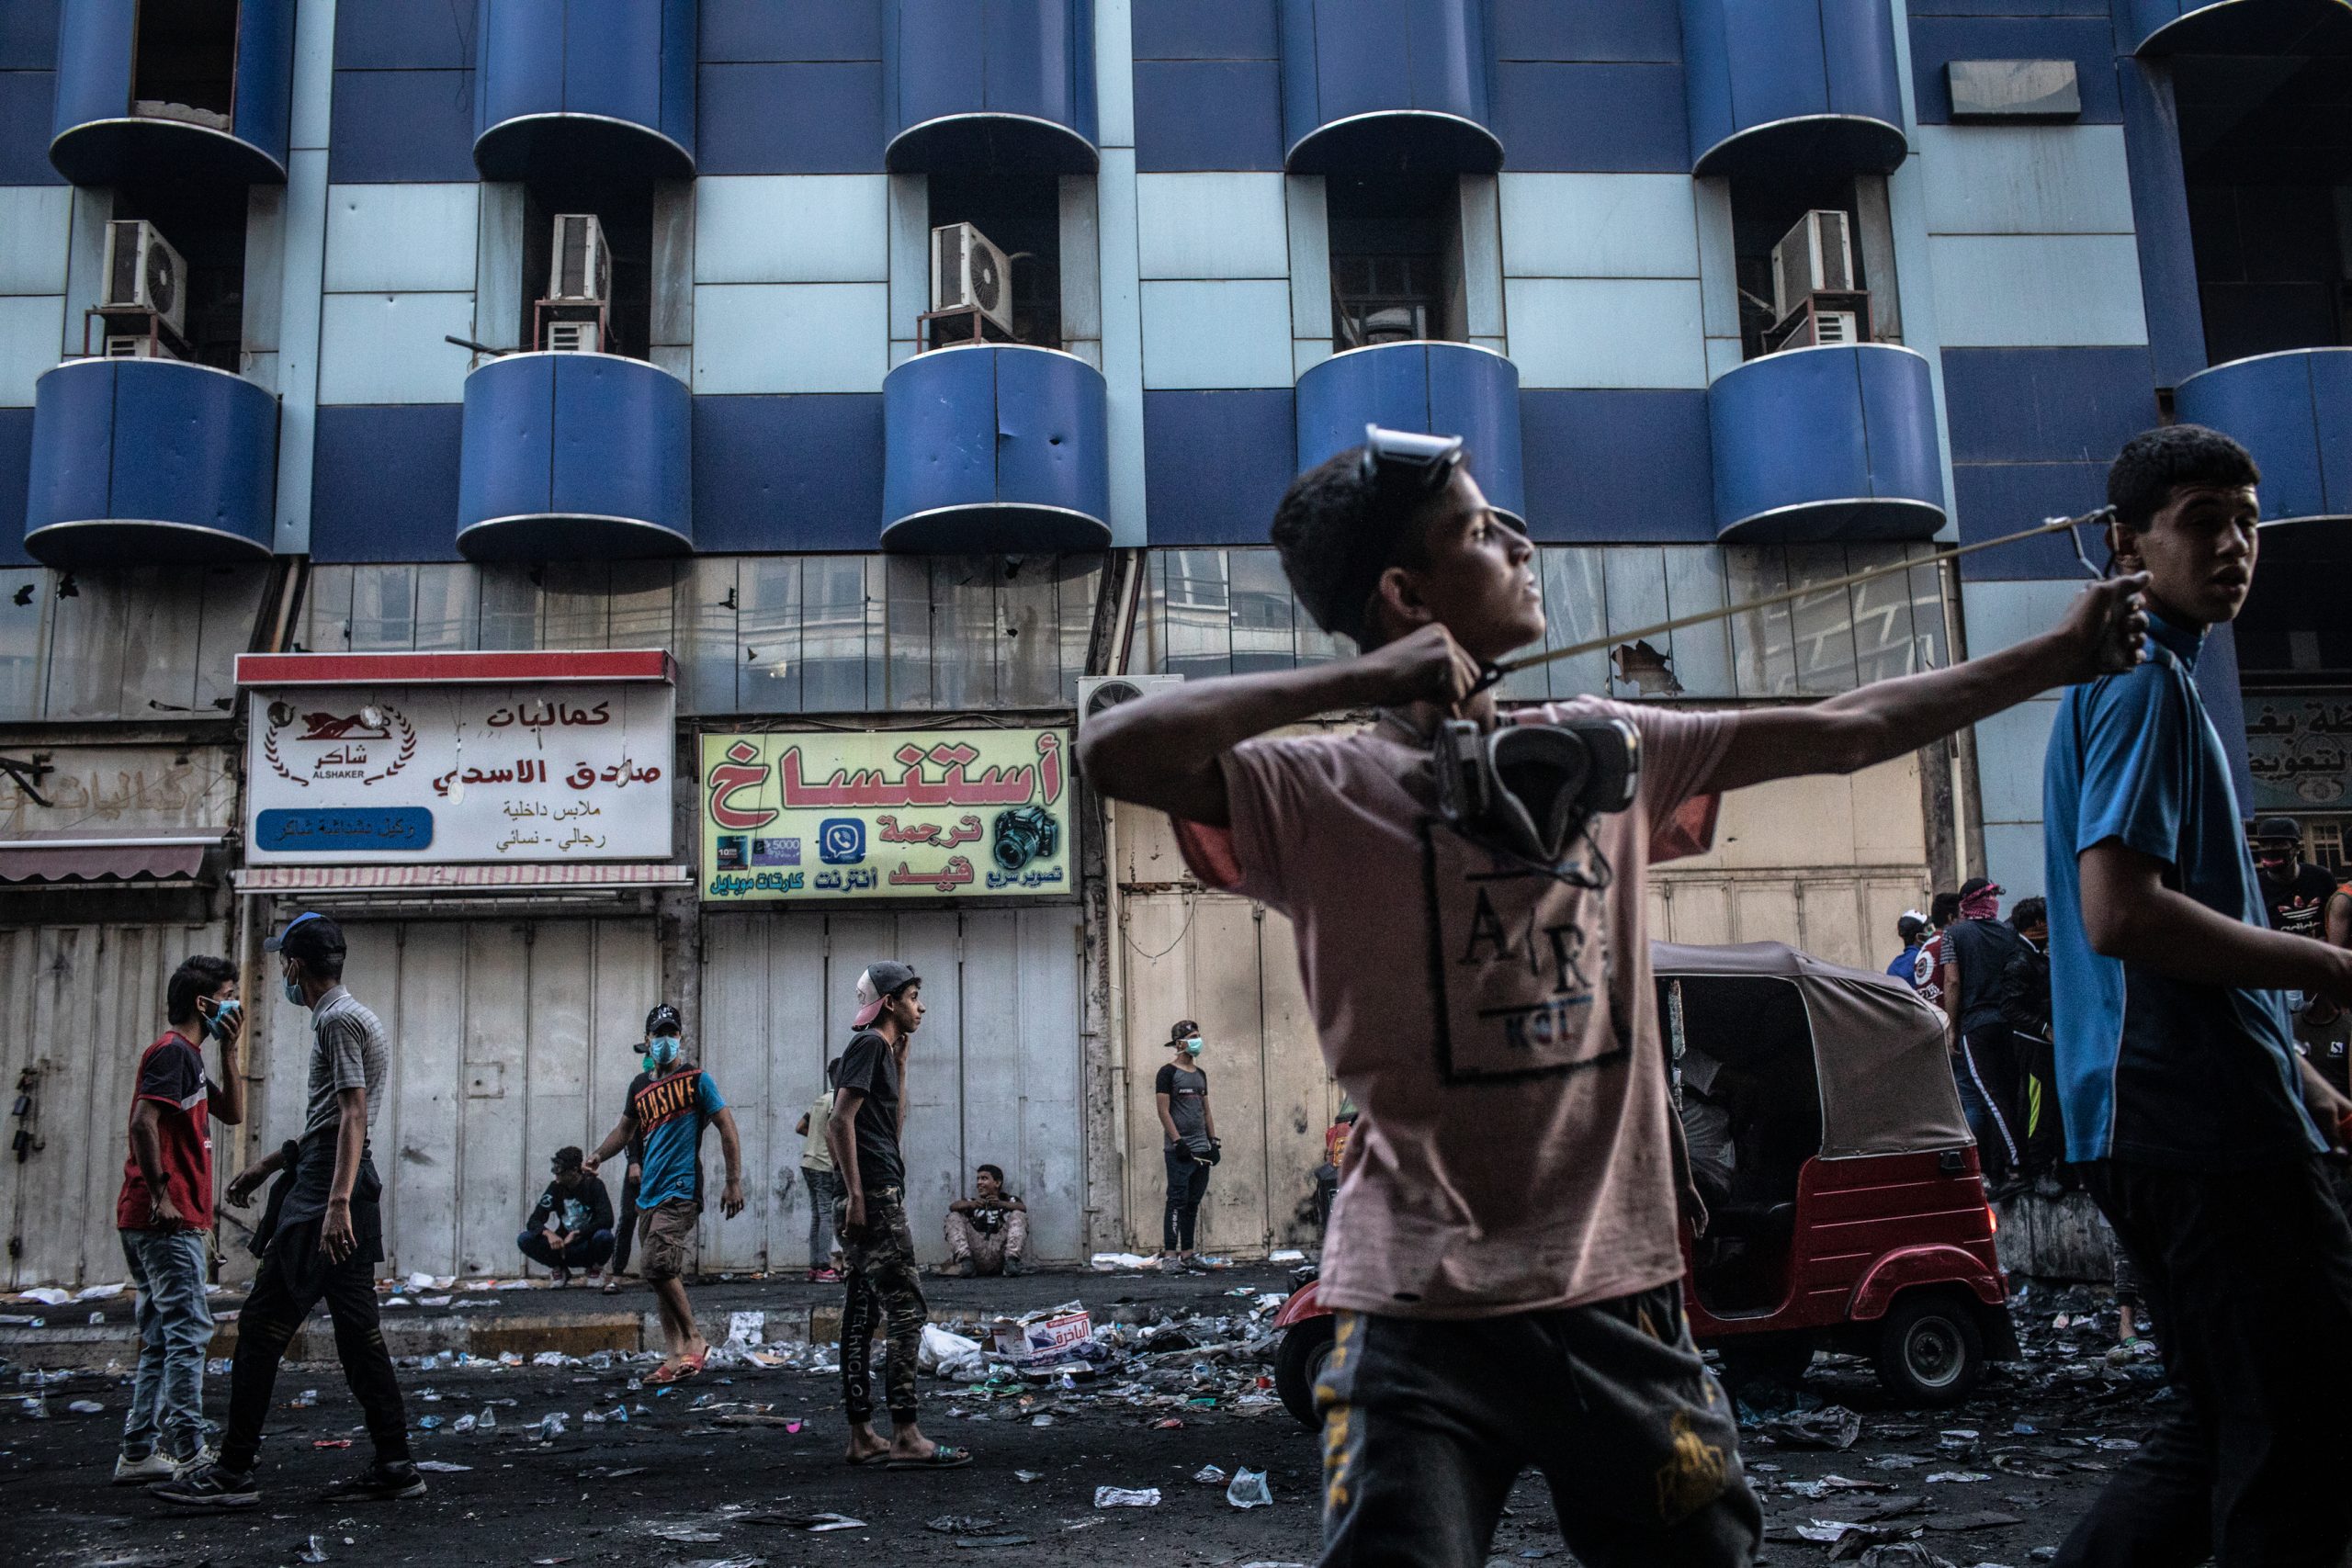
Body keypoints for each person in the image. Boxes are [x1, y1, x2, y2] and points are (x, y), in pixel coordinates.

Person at [1077, 423, 2146, 1568]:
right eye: (1483, 532)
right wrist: (1364, 678)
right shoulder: (1316, 786)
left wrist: (2054, 657)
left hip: (1622, 1300)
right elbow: (1114, 748)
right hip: (1409, 1316)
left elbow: (1849, 730)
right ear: (1404, 593)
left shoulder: (1609, 750)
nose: (1521, 541)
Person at [2041, 424, 2352, 1566]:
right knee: (2306, 1429)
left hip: (2162, 1110)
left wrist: (2298, 1067)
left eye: (2249, 521)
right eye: (2203, 523)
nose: (2236, 546)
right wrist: (2323, 966)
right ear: (2126, 544)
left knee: (2229, 1421)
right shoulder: (2144, 684)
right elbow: (2119, 914)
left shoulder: (2134, 678)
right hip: (2196, 1118)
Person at [155, 912, 421, 1510]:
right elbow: (334, 1118)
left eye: (283, 963)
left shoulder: (337, 1021)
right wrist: (272, 1162)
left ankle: (233, 1469)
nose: (281, 973)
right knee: (359, 1335)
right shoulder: (349, 1016)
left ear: (296, 966)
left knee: (260, 1325)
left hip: (328, 1193)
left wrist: (334, 1202)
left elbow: (352, 1116)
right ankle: (397, 1462)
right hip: (334, 1179)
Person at [828, 962, 969, 1470]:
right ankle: (906, 1434)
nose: (921, 1006)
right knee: (908, 1311)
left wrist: (903, 1066)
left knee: (862, 1316)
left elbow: (888, 1126)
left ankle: (862, 1435)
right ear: (890, 1002)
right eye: (913, 996)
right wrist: (859, 1196)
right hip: (874, 1199)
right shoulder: (868, 1045)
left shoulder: (882, 1053)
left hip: (875, 1191)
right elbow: (837, 1122)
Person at [111, 954, 245, 1484]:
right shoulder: (172, 1053)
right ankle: (190, 1450)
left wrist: (230, 1050)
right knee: (189, 1334)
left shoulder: (191, 1058)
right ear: (203, 1002)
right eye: (229, 994)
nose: (235, 1005)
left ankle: (139, 1450)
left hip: (159, 1219)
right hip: (166, 1221)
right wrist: (162, 1197)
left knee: (164, 1338)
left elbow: (232, 1113)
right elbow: (144, 1124)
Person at [585, 1003, 741, 1382]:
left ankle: (695, 1340)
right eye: (660, 1035)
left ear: (680, 1039)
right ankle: (673, 1357)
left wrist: (733, 1180)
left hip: (682, 1188)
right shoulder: (639, 1087)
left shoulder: (697, 1080)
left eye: (673, 1034)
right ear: (647, 1041)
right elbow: (624, 1131)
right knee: (659, 1275)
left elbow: (726, 1126)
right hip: (649, 1193)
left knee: (656, 1264)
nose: (667, 1041)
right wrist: (598, 1155)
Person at [1934, 876, 2028, 1194]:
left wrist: (1952, 1026)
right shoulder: (2008, 933)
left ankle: (2016, 1169)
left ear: (1964, 905)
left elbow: (1952, 982)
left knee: (1991, 1098)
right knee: (2013, 1094)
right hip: (2012, 1024)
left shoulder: (1953, 935)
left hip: (1977, 1026)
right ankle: (2007, 1166)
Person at [1997, 897, 2064, 1187]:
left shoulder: (2040, 955)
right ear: (2037, 924)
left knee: (2054, 1107)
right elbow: (2010, 1008)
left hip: (2047, 1045)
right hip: (2034, 1046)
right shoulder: (2021, 961)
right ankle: (2039, 1172)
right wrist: (2044, 1028)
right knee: (2040, 1109)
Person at [1155, 1021, 1218, 1265]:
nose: (1197, 1041)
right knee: (1176, 1200)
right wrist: (1177, 1141)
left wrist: (1213, 1142)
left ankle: (1188, 1253)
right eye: (1193, 1037)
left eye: (1198, 1036)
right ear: (1180, 1043)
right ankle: (1171, 1256)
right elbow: (1163, 1111)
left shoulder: (1201, 1075)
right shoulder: (1167, 1073)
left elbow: (1206, 1111)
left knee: (1192, 1202)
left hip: (1202, 1149)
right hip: (1179, 1151)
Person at [516, 1146, 616, 1285]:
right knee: (525, 1239)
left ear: (574, 1170)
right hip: (563, 1248)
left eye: (561, 1171)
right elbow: (534, 1220)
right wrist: (548, 1234)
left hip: (587, 1246)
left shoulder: (594, 1185)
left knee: (605, 1237)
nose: (557, 1175)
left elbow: (607, 1219)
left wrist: (578, 1233)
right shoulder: (555, 1188)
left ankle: (595, 1268)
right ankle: (558, 1268)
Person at [2251, 816, 2337, 941]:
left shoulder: (2322, 878)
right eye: (2264, 845)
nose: (2270, 850)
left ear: (2297, 849)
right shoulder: (2255, 886)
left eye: (2278, 844)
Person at [797, 1060, 844, 1282]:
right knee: (826, 1214)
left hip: (809, 1161)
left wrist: (815, 1142)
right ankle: (825, 1266)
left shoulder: (820, 1100)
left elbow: (800, 1127)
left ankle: (814, 1266)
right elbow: (835, 1128)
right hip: (825, 1164)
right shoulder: (836, 1101)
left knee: (817, 1215)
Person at [944, 1164, 1028, 1277]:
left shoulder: (1009, 1200)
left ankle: (1011, 1263)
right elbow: (953, 1207)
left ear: (997, 1183)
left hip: (1001, 1254)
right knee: (953, 1216)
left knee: (1019, 1214)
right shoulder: (972, 1202)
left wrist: (1001, 1204)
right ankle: (966, 1263)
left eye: (984, 1178)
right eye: (978, 1179)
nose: (979, 1183)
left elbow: (1023, 1208)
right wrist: (971, 1204)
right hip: (976, 1254)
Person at [1886, 910, 1928, 987]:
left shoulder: (1894, 965)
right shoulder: (1924, 959)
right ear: (1918, 936)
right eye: (1927, 930)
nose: (1929, 934)